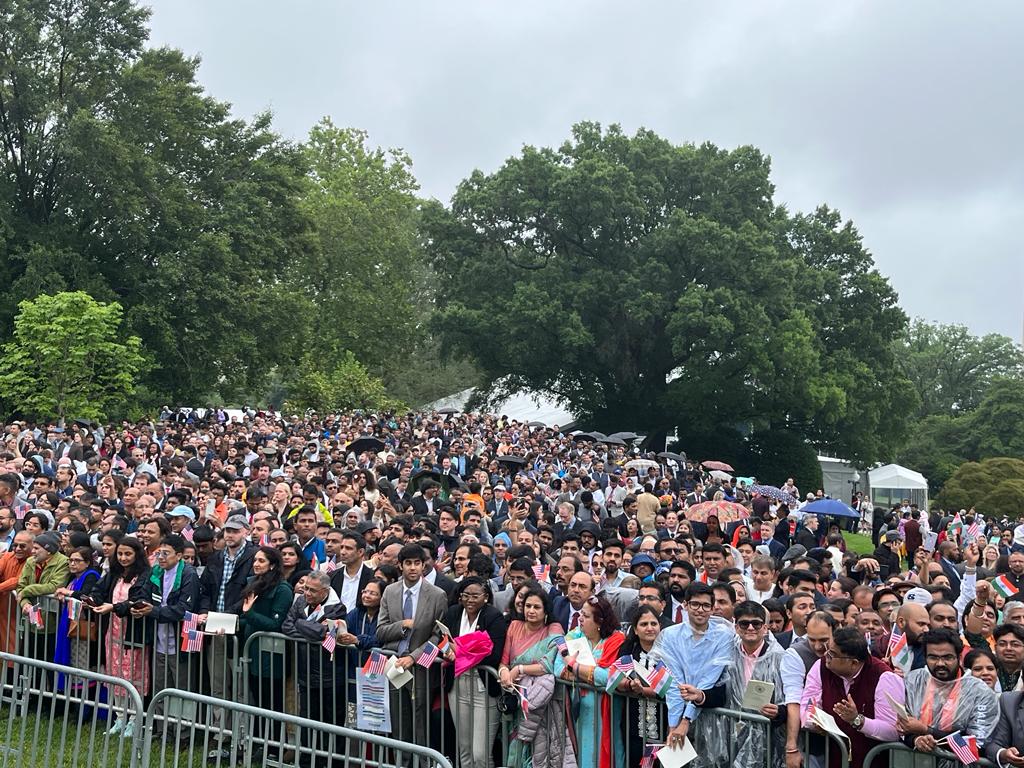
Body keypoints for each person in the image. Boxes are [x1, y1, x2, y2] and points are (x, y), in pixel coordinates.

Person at [375, 543, 448, 747]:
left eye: (417, 563)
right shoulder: (390, 591)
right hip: (393, 665)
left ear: (424, 565)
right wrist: (403, 625)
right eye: (408, 563)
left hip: (421, 669)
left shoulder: (437, 595)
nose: (413, 568)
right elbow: (380, 631)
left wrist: (414, 657)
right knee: (399, 723)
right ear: (400, 566)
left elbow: (437, 637)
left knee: (420, 724)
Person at [800, 627, 902, 768]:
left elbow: (893, 731)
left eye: (832, 654)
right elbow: (808, 703)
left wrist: (858, 720)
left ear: (853, 663)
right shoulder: (821, 666)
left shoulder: (885, 678)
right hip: (833, 758)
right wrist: (813, 721)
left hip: (873, 761)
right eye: (827, 649)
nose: (826, 656)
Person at [654, 582, 734, 750]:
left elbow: (709, 679)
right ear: (685, 605)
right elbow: (674, 683)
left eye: (706, 605)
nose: (700, 610)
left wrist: (686, 720)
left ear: (712, 609)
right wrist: (673, 725)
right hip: (676, 709)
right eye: (695, 604)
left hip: (711, 712)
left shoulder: (723, 636)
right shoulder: (670, 635)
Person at [499, 582, 568, 768]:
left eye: (537, 607)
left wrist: (519, 669)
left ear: (546, 610)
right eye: (528, 606)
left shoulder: (554, 629)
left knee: (540, 752)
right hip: (516, 697)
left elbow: (547, 665)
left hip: (541, 702)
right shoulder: (514, 626)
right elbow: (504, 661)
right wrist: (504, 673)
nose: (531, 610)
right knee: (515, 747)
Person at [442, 576, 508, 768]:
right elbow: (443, 639)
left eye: (475, 596)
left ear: (485, 597)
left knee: (480, 753)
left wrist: (460, 652)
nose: (470, 600)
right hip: (458, 684)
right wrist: (447, 651)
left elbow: (493, 655)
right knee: (465, 748)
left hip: (483, 687)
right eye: (465, 595)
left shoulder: (493, 616)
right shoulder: (454, 613)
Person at [898, 628, 998, 753]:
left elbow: (976, 746)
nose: (940, 663)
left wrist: (926, 730)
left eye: (947, 657)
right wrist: (916, 740)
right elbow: (901, 729)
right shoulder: (913, 681)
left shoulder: (981, 693)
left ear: (959, 657)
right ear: (925, 657)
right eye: (933, 657)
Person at [89, 537, 151, 739]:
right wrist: (93, 600)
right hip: (113, 632)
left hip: (134, 632)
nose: (123, 558)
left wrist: (114, 607)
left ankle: (135, 719)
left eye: (128, 554)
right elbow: (100, 590)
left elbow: (138, 599)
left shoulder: (145, 574)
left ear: (137, 555)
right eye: (120, 554)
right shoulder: (114, 573)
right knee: (115, 674)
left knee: (134, 675)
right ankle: (120, 717)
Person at [556, 593, 626, 768]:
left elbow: (610, 676)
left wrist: (575, 667)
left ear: (600, 621)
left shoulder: (616, 640)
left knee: (608, 751)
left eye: (586, 616)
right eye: (580, 614)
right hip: (578, 708)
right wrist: (583, 673)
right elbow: (558, 667)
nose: (580, 619)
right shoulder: (574, 636)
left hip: (607, 710)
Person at [236, 546, 292, 756]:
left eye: (261, 560)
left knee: (272, 703)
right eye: (256, 560)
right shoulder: (253, 583)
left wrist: (249, 615)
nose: (256, 564)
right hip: (252, 652)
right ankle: (259, 741)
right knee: (257, 701)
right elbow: (246, 616)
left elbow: (275, 624)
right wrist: (229, 623)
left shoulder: (282, 589)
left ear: (273, 564)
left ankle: (275, 746)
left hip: (272, 656)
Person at [281, 570, 347, 744]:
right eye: (306, 588)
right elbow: (287, 626)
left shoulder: (337, 607)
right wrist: (309, 630)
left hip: (330, 676)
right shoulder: (301, 600)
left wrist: (300, 623)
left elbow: (322, 632)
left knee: (331, 725)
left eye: (312, 590)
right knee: (307, 721)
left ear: (325, 592)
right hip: (305, 674)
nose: (307, 593)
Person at [16, 531, 69, 663]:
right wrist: (25, 604)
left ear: (49, 551)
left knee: (49, 664)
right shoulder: (30, 562)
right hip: (31, 622)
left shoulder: (63, 562)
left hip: (52, 624)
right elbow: (20, 587)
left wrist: (28, 590)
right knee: (27, 664)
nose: (32, 551)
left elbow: (54, 586)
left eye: (36, 548)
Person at [338, 578, 385, 726]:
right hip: (354, 672)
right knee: (354, 720)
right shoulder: (357, 612)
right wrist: (339, 629)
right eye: (365, 591)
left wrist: (358, 640)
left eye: (373, 593)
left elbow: (381, 639)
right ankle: (356, 748)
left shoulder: (385, 615)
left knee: (374, 722)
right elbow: (346, 626)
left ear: (382, 597)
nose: (367, 596)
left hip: (377, 676)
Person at [53, 545, 101, 680]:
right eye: (70, 560)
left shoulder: (91, 576)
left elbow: (86, 595)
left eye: (77, 560)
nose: (72, 563)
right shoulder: (73, 577)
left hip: (84, 626)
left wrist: (68, 593)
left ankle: (82, 695)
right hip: (71, 623)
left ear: (87, 563)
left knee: (81, 663)